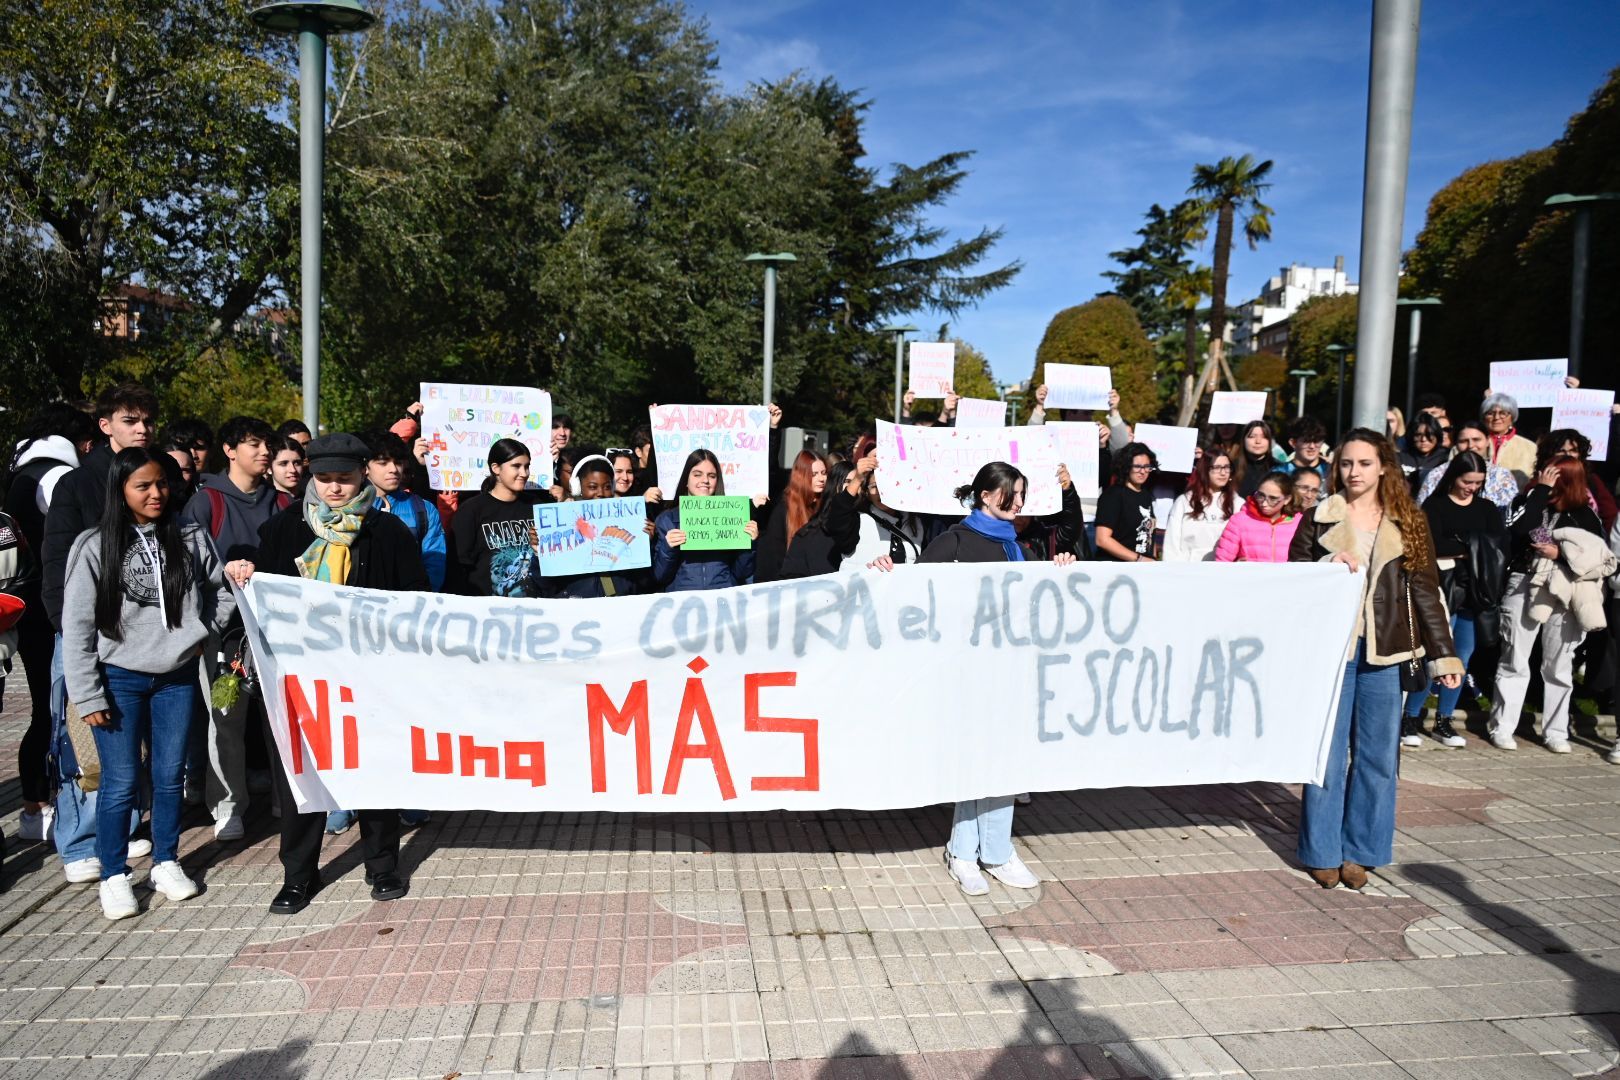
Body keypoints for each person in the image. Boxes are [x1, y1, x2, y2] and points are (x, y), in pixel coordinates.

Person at [232, 433, 429, 914]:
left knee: (375, 772)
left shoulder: (388, 533)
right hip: (301, 681)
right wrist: (242, 571)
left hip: (371, 677)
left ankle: (382, 866)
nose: (336, 489)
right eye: (325, 479)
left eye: (345, 479)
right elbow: (263, 593)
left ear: (363, 475)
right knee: (301, 776)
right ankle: (298, 875)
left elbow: (415, 599)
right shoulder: (283, 532)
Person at [61, 448, 234, 919]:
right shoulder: (94, 545)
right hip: (118, 679)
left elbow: (220, 589)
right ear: (120, 491)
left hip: (176, 677)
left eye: (161, 483)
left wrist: (202, 629)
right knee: (119, 782)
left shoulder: (190, 536)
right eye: (143, 486)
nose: (156, 493)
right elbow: (76, 626)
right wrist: (87, 693)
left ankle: (165, 860)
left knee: (168, 775)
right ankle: (115, 873)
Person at [1289, 429, 1462, 891]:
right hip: (1334, 651)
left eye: (1364, 463)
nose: (1354, 472)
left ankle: (1361, 851)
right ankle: (1322, 850)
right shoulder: (1318, 517)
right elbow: (1292, 583)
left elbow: (1426, 591)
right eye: (1346, 464)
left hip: (1387, 653)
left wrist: (1444, 656)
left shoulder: (1409, 520)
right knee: (1325, 757)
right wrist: (1324, 569)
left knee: (1378, 757)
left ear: (1384, 465)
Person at [917, 461, 1077, 895]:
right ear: (986, 495)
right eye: (1013, 494)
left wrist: (1058, 566)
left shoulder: (1016, 546)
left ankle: (997, 850)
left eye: (1023, 494)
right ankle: (964, 850)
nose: (1021, 502)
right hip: (967, 670)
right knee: (976, 758)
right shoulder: (953, 541)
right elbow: (915, 593)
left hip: (1008, 668)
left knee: (1004, 758)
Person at [41, 383, 160, 884]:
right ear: (105, 425)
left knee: (133, 741)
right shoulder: (77, 485)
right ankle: (79, 841)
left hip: (144, 637)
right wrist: (71, 633)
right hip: (85, 631)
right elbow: (57, 563)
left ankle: (125, 823)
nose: (142, 430)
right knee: (82, 737)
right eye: (130, 420)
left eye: (147, 421)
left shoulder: (156, 477)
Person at [183, 416, 290, 840]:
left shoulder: (283, 502)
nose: (264, 452)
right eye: (253, 444)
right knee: (225, 718)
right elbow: (189, 571)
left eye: (267, 444)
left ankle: (290, 797)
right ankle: (228, 806)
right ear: (229, 451)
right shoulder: (207, 503)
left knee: (279, 718)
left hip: (275, 630)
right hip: (222, 632)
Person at [5, 403, 96, 842]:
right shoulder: (58, 476)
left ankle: (31, 806)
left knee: (44, 707)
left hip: (13, 605)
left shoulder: (18, 468)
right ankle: (43, 804)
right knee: (56, 707)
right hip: (47, 605)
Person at [1489, 457, 1610, 753]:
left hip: (1565, 590)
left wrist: (1561, 555)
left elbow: (1599, 560)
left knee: (1559, 664)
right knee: (1515, 656)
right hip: (1525, 582)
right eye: (1545, 473)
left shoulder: (1585, 515)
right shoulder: (1531, 501)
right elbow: (1519, 530)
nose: (1545, 476)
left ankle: (1556, 731)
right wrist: (1540, 491)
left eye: (1554, 475)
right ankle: (1503, 726)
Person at [1401, 451, 1509, 749]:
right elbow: (1430, 546)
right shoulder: (1435, 506)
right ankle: (1410, 716)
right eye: (1466, 481)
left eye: (1477, 482)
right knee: (1434, 653)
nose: (1471, 487)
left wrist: (1463, 547)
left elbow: (1499, 545)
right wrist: (1473, 546)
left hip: (1473, 591)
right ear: (1453, 477)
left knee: (1462, 656)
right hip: (1441, 588)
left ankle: (1444, 719)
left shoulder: (1487, 508)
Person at [452, 438, 551, 598]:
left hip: (536, 607)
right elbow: (458, 567)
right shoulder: (471, 510)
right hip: (487, 611)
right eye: (516, 466)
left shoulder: (537, 506)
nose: (524, 473)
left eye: (527, 466)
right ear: (496, 468)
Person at [652, 450, 761, 591]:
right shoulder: (667, 520)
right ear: (686, 480)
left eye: (712, 476)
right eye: (697, 474)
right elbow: (660, 577)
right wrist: (668, 548)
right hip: (684, 604)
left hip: (723, 600)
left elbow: (742, 573)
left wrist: (749, 544)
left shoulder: (734, 517)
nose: (705, 480)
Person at [363, 430, 448, 591]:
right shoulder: (351, 507)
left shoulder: (424, 509)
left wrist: (421, 599)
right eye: (383, 463)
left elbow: (434, 561)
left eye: (398, 462)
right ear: (365, 467)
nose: (394, 469)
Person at [778, 459, 875, 579]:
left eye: (859, 482)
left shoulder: (871, 523)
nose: (855, 487)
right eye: (849, 482)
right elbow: (791, 577)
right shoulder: (808, 534)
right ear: (834, 485)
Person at [758, 451, 834, 583]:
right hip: (790, 587)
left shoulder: (829, 506)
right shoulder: (783, 510)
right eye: (814, 474)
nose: (821, 479)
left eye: (824, 473)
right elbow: (772, 560)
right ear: (801, 476)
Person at [1415, 421, 1518, 511]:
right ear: (1455, 444)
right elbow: (1422, 513)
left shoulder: (1502, 476)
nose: (1470, 446)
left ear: (1487, 441)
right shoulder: (1437, 475)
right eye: (1463, 441)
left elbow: (1510, 513)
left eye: (1476, 440)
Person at [1163, 448, 1235, 563]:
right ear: (1205, 470)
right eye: (1217, 467)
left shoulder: (1237, 503)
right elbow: (1171, 544)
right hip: (1188, 571)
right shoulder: (1184, 501)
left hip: (1223, 572)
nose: (1223, 473)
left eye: (1226, 467)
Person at [1214, 471, 1301, 563]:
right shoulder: (1239, 521)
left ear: (1287, 499)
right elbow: (1222, 562)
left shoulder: (1298, 523)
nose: (1264, 503)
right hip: (1250, 576)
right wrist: (1236, 566)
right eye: (1260, 495)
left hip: (1286, 577)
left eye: (1273, 498)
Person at [1093, 443, 1157, 563]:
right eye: (1137, 466)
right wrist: (1139, 559)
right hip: (1116, 570)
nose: (1143, 471)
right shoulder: (1113, 495)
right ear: (1126, 467)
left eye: (1147, 466)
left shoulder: (1146, 495)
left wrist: (1152, 558)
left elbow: (1149, 534)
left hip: (1143, 570)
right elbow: (1102, 539)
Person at [1480, 393, 1537, 489]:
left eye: (1503, 413)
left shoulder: (1529, 447)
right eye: (1490, 413)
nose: (1496, 417)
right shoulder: (1472, 442)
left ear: (1512, 417)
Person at [1397, 412, 1448, 496]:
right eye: (1418, 435)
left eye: (1429, 435)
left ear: (1437, 435)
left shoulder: (1445, 458)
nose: (1423, 439)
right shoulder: (1399, 458)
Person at [1283, 416, 1331, 481]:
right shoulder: (1281, 473)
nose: (1312, 446)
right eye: (1306, 441)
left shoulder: (1331, 472)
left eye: (1316, 441)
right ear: (1293, 443)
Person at [268, 435, 308, 500]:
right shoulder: (263, 505)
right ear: (269, 467)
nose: (293, 470)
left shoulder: (313, 502)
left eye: (297, 463)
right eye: (284, 464)